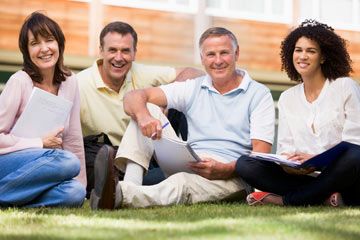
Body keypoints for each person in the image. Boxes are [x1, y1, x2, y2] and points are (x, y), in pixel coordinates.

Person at [89, 27, 275, 210]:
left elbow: (260, 157)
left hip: (233, 175)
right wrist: (145, 117)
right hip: (193, 162)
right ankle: (129, 184)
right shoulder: (194, 87)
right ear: (202, 58)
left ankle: (120, 193)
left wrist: (225, 169)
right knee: (148, 109)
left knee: (182, 183)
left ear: (236, 53)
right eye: (211, 54)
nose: (218, 61)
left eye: (224, 53)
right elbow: (133, 97)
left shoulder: (258, 94)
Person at [236, 19, 360, 207]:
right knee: (246, 164)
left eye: (311, 51)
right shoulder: (287, 98)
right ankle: (325, 197)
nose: (303, 56)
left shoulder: (345, 86)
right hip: (305, 177)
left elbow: (354, 143)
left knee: (354, 155)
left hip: (346, 173)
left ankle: (288, 200)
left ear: (323, 57)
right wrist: (289, 164)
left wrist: (317, 160)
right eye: (298, 50)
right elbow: (286, 148)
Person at [76, 21, 204, 194]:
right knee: (154, 178)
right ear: (101, 51)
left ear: (135, 53)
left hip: (152, 149)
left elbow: (193, 74)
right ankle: (187, 175)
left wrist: (167, 98)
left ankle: (197, 160)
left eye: (126, 51)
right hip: (114, 159)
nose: (119, 57)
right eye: (112, 50)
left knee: (186, 98)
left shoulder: (140, 72)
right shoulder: (79, 84)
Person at [0, 12, 86, 207]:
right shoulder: (19, 81)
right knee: (68, 162)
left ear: (59, 44)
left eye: (49, 40)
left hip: (42, 168)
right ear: (26, 50)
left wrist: (81, 182)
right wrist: (40, 143)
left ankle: (11, 198)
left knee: (75, 192)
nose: (44, 48)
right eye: (35, 43)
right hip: (8, 164)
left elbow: (73, 137)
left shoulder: (70, 82)